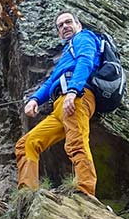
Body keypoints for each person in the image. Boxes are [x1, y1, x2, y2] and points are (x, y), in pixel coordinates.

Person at [15, 10, 101, 198]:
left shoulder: (84, 38)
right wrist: (35, 99)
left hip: (77, 98)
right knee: (26, 144)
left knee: (76, 143)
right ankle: (26, 195)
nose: (65, 27)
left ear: (78, 25)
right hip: (59, 105)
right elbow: (51, 81)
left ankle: (86, 192)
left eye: (68, 22)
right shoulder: (66, 53)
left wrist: (73, 90)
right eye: (60, 26)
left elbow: (85, 61)